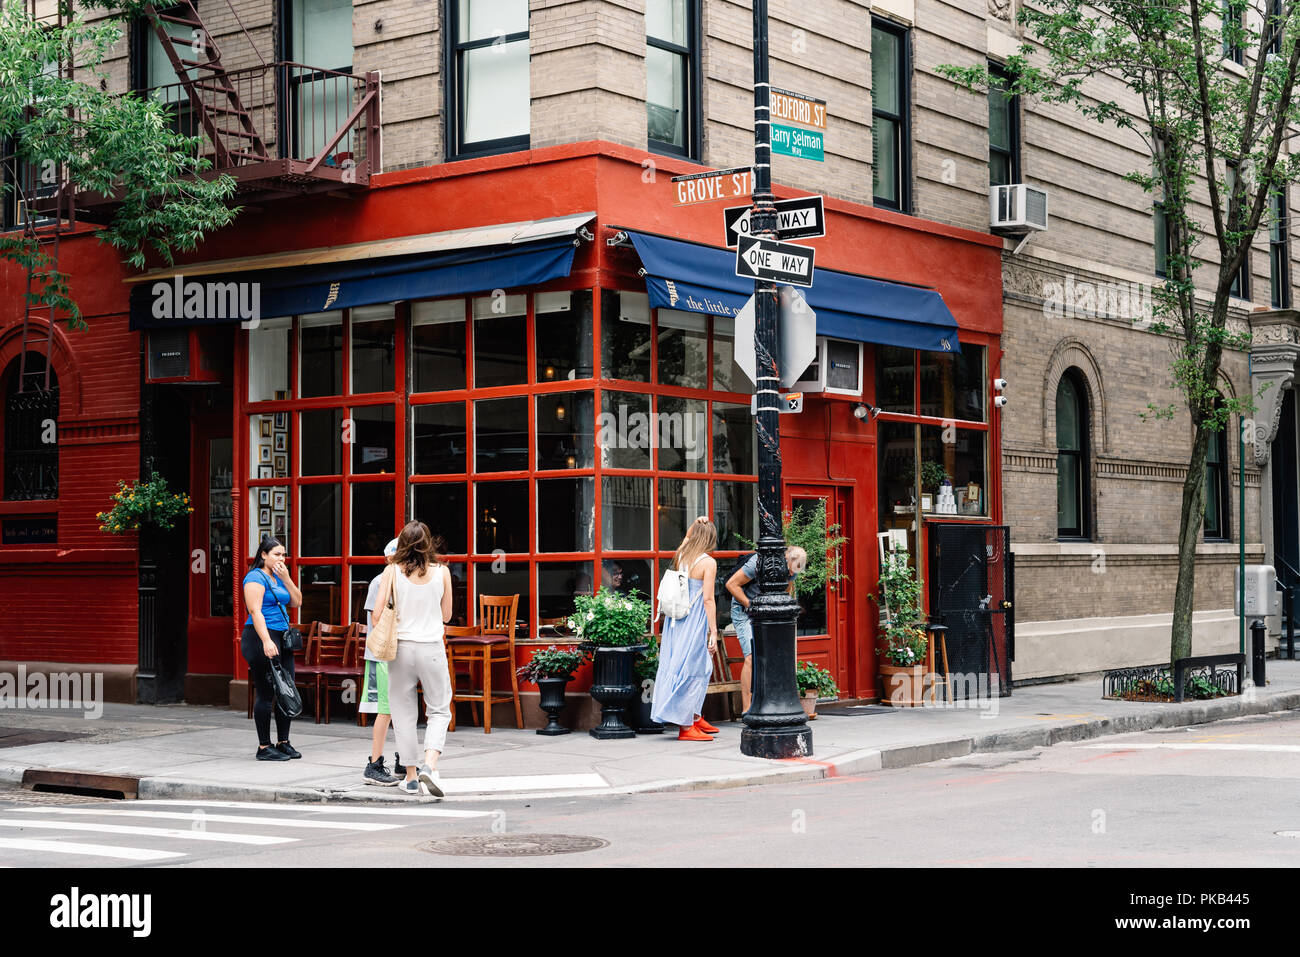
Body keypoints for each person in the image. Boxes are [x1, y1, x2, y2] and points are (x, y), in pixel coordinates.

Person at [370, 520, 454, 797]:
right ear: (429, 543)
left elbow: (377, 614)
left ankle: (410, 777)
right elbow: (446, 616)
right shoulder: (442, 572)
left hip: (401, 648)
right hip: (431, 647)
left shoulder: (391, 570)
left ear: (402, 544)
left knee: (403, 714)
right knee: (439, 709)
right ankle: (428, 765)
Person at [651, 517, 720, 741]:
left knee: (696, 667)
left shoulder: (683, 556)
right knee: (694, 668)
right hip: (695, 621)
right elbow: (708, 600)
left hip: (677, 622)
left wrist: (694, 525)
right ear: (710, 538)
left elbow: (687, 539)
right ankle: (686, 726)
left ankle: (694, 715)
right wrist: (714, 631)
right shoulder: (708, 563)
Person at [240, 536, 304, 761]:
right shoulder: (254, 577)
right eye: (276, 554)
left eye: (283, 554)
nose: (281, 558)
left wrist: (287, 578)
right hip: (260, 636)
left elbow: (297, 602)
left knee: (286, 688)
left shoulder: (279, 577)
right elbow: (255, 611)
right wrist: (267, 641)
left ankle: (283, 741)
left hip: (282, 637)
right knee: (266, 692)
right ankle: (264, 746)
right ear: (264, 555)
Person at [725, 545, 807, 713]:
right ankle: (747, 708)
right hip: (744, 610)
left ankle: (770, 703)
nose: (792, 575)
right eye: (790, 571)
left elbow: (787, 589)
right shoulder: (757, 563)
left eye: (795, 573)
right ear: (784, 559)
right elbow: (731, 585)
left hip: (768, 611)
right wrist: (751, 607)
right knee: (751, 656)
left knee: (772, 657)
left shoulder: (793, 569)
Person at [359, 538, 403, 786]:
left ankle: (402, 758)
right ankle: (374, 763)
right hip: (383, 653)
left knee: (400, 709)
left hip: (395, 652)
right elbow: (376, 620)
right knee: (386, 709)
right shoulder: (380, 581)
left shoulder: (400, 580)